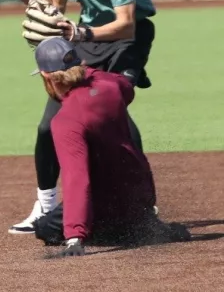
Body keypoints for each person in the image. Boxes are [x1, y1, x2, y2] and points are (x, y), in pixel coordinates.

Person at [0, 0, 158, 234]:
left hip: (127, 38)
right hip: (86, 36)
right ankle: (45, 204)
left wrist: (80, 33)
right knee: (48, 124)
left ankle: (144, 206)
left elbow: (126, 24)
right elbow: (56, 5)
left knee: (113, 112)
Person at [27, 37, 187, 256]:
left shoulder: (66, 121)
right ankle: (143, 225)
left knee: (44, 228)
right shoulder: (112, 84)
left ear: (46, 76)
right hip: (140, 194)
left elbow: (77, 178)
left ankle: (115, 232)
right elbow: (126, 89)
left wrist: (74, 236)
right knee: (123, 204)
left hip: (104, 202)